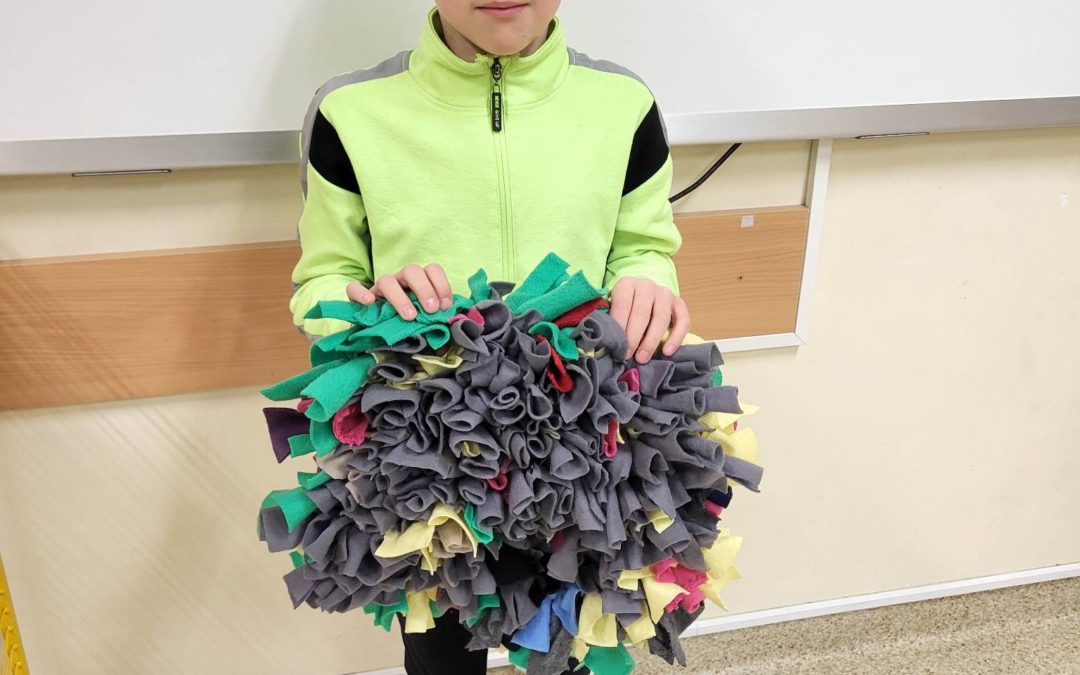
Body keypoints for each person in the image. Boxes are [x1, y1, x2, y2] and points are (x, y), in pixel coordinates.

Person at [288, 1, 691, 672]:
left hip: (584, 444)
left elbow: (644, 246)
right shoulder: (348, 112)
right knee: (440, 652)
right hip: (425, 452)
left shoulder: (624, 104)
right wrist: (367, 307)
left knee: (573, 644)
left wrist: (647, 280)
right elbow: (322, 280)